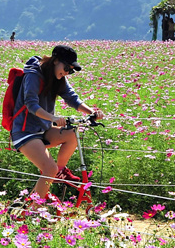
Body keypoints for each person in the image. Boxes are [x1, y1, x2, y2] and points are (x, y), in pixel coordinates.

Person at [10, 45, 104, 208]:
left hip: (42, 130)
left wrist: (92, 112)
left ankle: (59, 171)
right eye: (66, 68)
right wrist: (53, 118)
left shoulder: (57, 78)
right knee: (48, 169)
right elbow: (31, 105)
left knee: (71, 135)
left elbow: (72, 98)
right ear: (55, 61)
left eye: (71, 71)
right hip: (24, 131)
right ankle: (32, 212)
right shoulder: (33, 75)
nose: (67, 73)